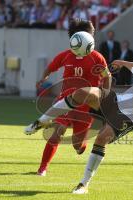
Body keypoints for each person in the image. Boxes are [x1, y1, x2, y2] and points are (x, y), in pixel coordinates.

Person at [25, 40, 133, 193]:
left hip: (129, 118)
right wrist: (121, 62)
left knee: (101, 139)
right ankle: (42, 121)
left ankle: (83, 184)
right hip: (117, 101)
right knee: (83, 92)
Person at [25, 19, 111, 176]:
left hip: (85, 107)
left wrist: (104, 94)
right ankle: (42, 168)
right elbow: (50, 68)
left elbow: (107, 76)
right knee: (57, 132)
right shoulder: (65, 56)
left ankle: (81, 145)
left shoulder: (97, 57)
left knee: (77, 146)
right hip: (65, 102)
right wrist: (43, 78)